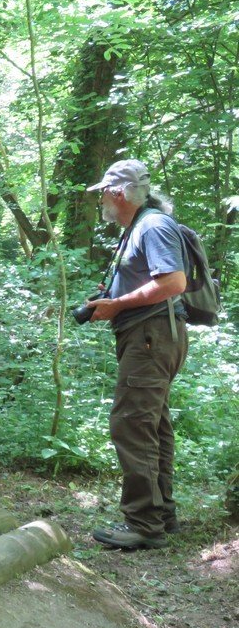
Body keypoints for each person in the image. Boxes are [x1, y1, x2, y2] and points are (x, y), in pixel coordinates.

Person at [83, 159, 188, 550]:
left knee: (131, 424)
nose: (103, 203)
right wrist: (111, 302)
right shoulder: (139, 228)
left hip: (151, 336)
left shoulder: (153, 225)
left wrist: (119, 304)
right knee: (152, 425)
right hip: (150, 336)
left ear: (118, 193)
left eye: (105, 194)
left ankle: (144, 524)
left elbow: (173, 282)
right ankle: (162, 513)